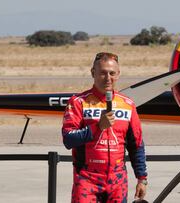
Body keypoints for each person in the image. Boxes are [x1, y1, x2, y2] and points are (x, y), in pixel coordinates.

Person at [62, 52, 148, 203]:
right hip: (86, 178)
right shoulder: (78, 102)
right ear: (93, 73)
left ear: (118, 74)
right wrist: (97, 127)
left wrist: (142, 178)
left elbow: (137, 145)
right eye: (102, 73)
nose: (108, 78)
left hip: (117, 180)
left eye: (112, 73)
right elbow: (68, 139)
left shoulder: (127, 104)